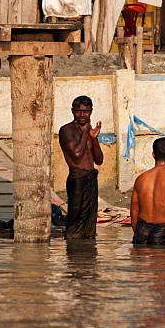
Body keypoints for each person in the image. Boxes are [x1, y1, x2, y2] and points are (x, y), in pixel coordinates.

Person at [58, 96, 104, 239]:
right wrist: (85, 132)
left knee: (89, 219)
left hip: (90, 178)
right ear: (72, 111)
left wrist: (94, 138)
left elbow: (99, 160)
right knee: (75, 217)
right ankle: (72, 253)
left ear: (91, 111)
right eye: (78, 111)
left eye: (86, 111)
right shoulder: (66, 130)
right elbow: (77, 154)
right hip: (77, 178)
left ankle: (87, 257)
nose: (82, 115)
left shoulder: (89, 130)